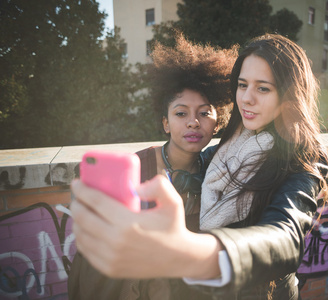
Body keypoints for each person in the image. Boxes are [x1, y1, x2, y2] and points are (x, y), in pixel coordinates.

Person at [70, 34, 328, 300]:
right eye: (242, 85)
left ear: (289, 95)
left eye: (263, 88)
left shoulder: (303, 158)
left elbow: (285, 239)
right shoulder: (223, 151)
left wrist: (193, 252)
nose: (247, 99)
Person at [67, 34, 237, 300]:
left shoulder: (218, 169)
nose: (193, 122)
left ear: (218, 122)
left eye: (204, 113)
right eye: (181, 113)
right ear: (166, 123)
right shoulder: (136, 169)